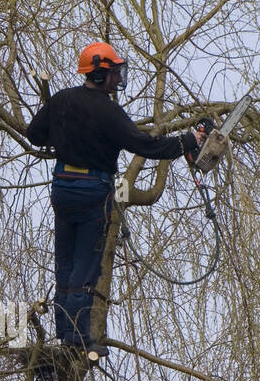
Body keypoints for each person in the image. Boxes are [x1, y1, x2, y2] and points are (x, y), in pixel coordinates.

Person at [25, 42, 202, 361]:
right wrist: (188, 141)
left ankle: (65, 332)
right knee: (85, 267)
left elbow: (34, 133)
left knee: (64, 263)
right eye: (115, 72)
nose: (118, 79)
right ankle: (79, 339)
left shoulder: (62, 99)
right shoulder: (108, 111)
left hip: (63, 186)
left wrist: (64, 136)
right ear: (99, 72)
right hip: (93, 191)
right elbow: (146, 145)